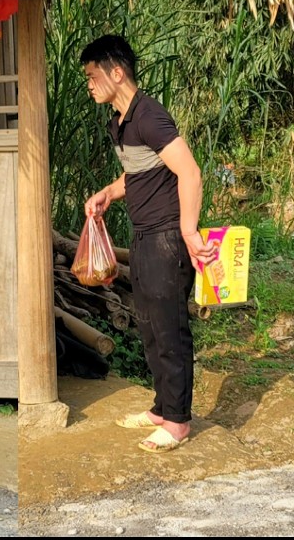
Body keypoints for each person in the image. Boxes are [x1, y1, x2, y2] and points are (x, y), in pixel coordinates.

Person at [80, 35, 216, 454]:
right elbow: (138, 174)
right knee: (149, 326)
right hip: (142, 235)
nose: (89, 84)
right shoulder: (119, 121)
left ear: (116, 73)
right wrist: (107, 192)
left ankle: (177, 422)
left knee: (170, 328)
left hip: (167, 237)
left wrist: (190, 231)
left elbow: (190, 172)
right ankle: (162, 407)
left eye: (92, 75)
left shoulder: (150, 116)